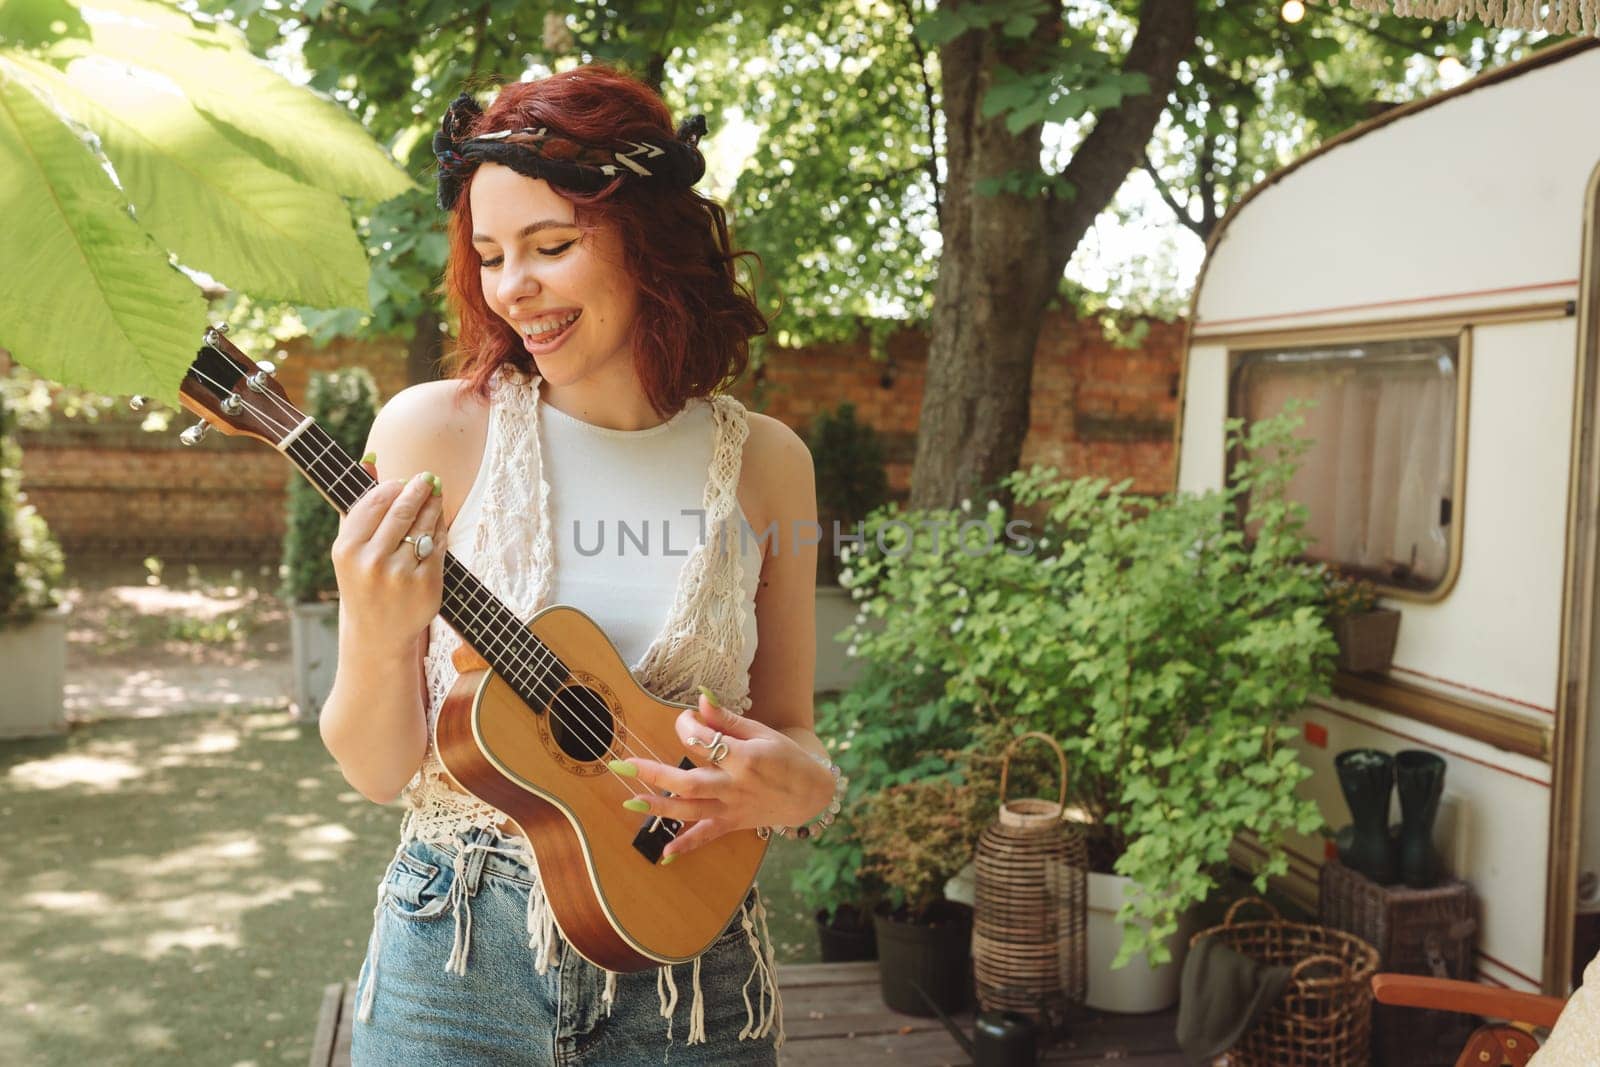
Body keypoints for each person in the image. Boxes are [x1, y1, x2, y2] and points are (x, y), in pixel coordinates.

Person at [317, 64, 844, 1066]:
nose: (513, 286)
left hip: (694, 971)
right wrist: (376, 629)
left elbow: (797, 738)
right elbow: (379, 768)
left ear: (647, 242)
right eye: (490, 254)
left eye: (550, 246)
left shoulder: (772, 464)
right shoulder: (432, 434)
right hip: (457, 957)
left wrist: (799, 789)